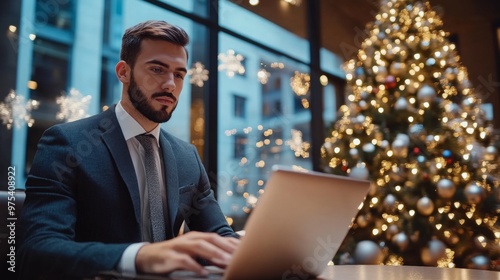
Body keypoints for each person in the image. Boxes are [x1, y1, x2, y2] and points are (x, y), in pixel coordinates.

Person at [18, 20, 239, 279]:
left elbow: (220, 234)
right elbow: (36, 251)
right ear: (123, 72)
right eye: (157, 69)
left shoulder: (186, 156)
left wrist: (248, 249)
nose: (170, 84)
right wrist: (140, 256)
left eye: (179, 74)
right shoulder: (67, 143)